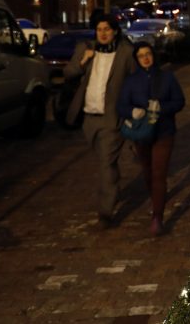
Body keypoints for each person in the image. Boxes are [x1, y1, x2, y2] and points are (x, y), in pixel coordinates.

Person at [64, 13, 135, 229]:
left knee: (106, 163)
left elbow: (135, 79)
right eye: (99, 29)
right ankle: (113, 186)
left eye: (107, 29)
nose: (103, 33)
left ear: (114, 31)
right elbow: (68, 73)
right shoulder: (86, 48)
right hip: (89, 117)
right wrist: (84, 60)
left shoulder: (125, 52)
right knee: (106, 162)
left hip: (111, 118)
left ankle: (106, 212)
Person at [117, 42, 185, 236]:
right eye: (141, 55)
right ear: (136, 59)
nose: (145, 58)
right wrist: (132, 111)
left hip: (164, 131)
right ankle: (156, 198)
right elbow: (121, 105)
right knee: (147, 171)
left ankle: (157, 217)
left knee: (158, 173)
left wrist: (162, 108)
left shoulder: (167, 77)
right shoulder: (131, 81)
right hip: (142, 133)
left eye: (148, 54)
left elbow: (179, 101)